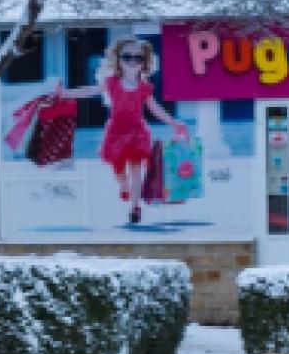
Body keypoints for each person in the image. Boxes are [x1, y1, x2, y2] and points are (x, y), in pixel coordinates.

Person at [56, 38, 189, 225]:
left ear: (144, 62)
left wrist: (173, 122)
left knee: (136, 169)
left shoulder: (144, 87)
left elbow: (155, 108)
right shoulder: (111, 83)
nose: (133, 61)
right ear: (118, 60)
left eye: (138, 58)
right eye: (127, 57)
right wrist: (66, 93)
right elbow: (90, 90)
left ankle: (135, 207)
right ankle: (123, 185)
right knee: (118, 169)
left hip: (137, 132)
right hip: (116, 133)